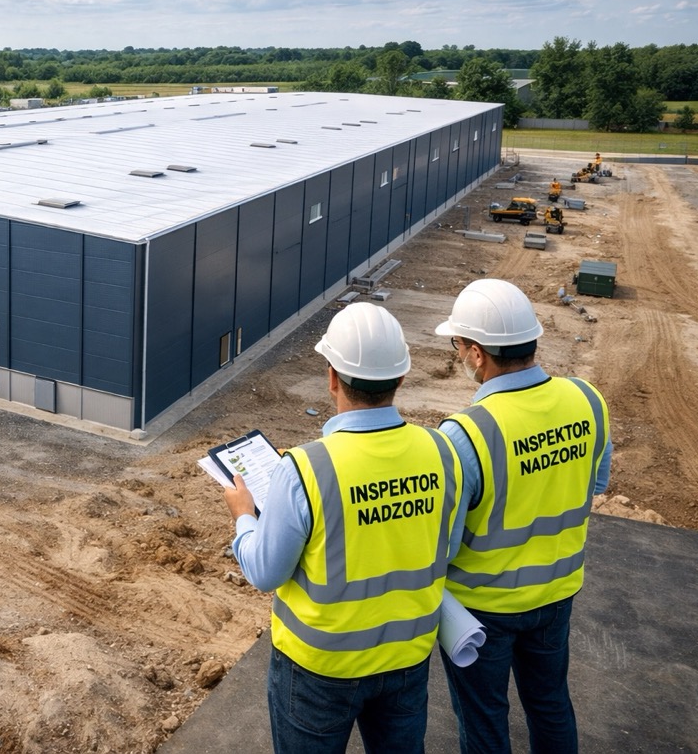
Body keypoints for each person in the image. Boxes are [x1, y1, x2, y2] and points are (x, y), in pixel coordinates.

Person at [223, 302, 464, 753]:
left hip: (319, 671)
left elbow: (264, 573)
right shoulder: (442, 451)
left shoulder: (306, 468)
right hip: (406, 658)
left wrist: (243, 515)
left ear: (332, 377)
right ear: (402, 377)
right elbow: (444, 548)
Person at [435, 279, 612, 754]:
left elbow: (444, 546)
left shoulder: (466, 434)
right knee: (550, 704)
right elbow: (594, 485)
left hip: (482, 608)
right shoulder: (587, 400)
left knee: (485, 718)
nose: (458, 355)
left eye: (458, 345)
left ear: (476, 354)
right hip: (557, 591)